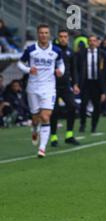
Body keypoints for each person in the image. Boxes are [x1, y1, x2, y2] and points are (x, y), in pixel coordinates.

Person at [17, 24, 65, 158]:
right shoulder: (31, 49)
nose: (43, 35)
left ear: (49, 35)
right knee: (35, 118)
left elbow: (61, 63)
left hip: (49, 87)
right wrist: (28, 70)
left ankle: (42, 148)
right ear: (38, 34)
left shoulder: (56, 50)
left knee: (45, 117)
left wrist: (60, 71)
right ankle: (34, 129)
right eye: (41, 33)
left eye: (46, 33)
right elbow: (20, 63)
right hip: (33, 87)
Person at [50, 28, 80, 147]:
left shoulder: (70, 51)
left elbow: (74, 69)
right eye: (61, 36)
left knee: (72, 106)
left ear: (68, 38)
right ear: (57, 37)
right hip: (52, 85)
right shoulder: (51, 50)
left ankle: (69, 135)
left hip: (66, 85)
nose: (63, 38)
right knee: (55, 111)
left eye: (65, 36)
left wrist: (75, 84)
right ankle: (53, 137)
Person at [76, 35, 106, 133]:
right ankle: (82, 124)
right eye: (90, 41)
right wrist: (77, 81)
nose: (92, 42)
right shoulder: (82, 54)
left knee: (97, 106)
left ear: (97, 42)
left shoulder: (102, 54)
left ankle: (94, 126)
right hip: (86, 82)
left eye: (94, 41)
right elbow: (77, 68)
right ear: (88, 42)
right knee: (83, 105)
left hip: (97, 83)